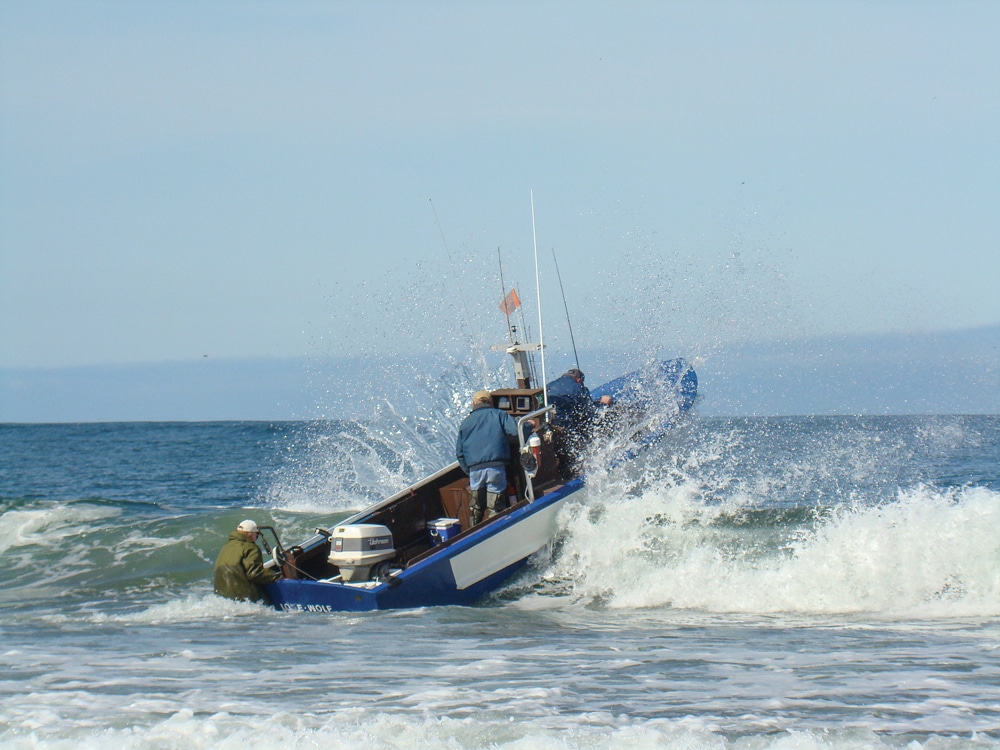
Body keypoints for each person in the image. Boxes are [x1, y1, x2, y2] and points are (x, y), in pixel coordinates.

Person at [455, 390, 524, 525]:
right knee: (495, 506)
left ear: (473, 404)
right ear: (491, 402)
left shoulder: (465, 423)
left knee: (476, 507)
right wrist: (529, 424)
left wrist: (469, 471)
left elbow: (460, 453)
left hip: (475, 471)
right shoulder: (498, 415)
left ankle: (473, 534)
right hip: (495, 467)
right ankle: (496, 530)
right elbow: (516, 430)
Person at [545, 368, 613, 476]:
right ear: (579, 380)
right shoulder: (578, 388)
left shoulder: (549, 385)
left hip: (547, 427)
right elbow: (591, 413)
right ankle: (574, 473)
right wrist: (603, 404)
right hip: (564, 429)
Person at [213, 519, 281, 603]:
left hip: (222, 596)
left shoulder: (226, 546)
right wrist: (279, 576)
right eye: (257, 535)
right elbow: (255, 573)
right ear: (250, 534)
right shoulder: (251, 547)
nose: (256, 538)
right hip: (242, 597)